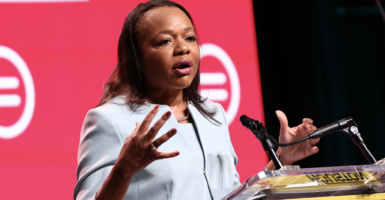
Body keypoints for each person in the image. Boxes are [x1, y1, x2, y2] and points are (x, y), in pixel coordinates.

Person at [73, 0, 320, 200]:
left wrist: (280, 160)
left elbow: (233, 196)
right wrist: (123, 171)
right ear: (136, 57)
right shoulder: (110, 119)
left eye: (190, 38)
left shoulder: (213, 114)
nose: (183, 48)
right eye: (165, 41)